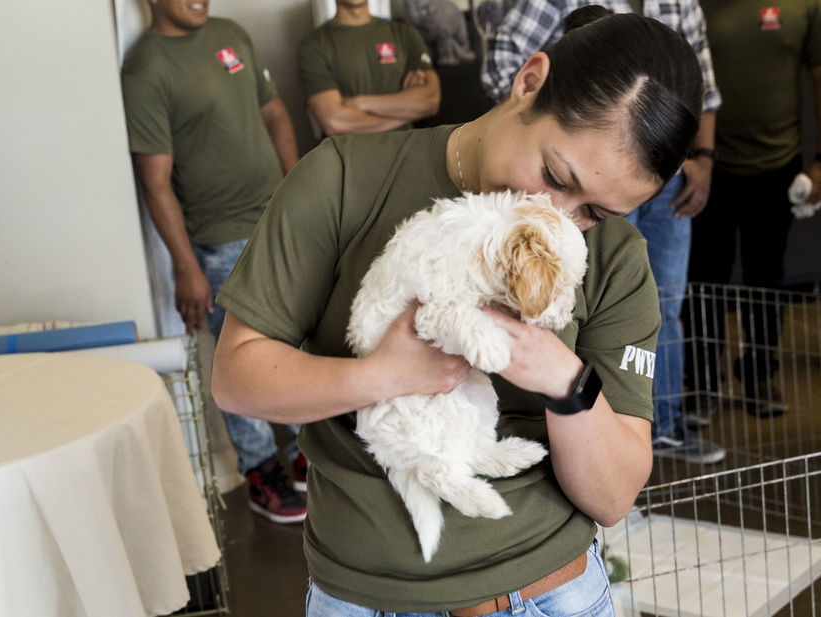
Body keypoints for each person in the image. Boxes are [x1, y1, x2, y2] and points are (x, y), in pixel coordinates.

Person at [212, 9, 703, 615]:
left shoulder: (616, 261)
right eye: (553, 176)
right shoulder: (344, 180)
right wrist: (382, 375)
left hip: (549, 593)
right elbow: (235, 377)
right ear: (529, 80)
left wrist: (563, 380)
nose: (555, 218)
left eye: (594, 213)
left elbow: (613, 496)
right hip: (366, 594)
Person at [483, 0, 725, 465]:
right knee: (583, 297)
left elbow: (705, 92)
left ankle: (662, 425)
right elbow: (503, 54)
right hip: (583, 154)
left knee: (664, 300)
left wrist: (698, 157)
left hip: (653, 178)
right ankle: (588, 431)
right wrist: (539, 113)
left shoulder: (680, 4)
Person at [120, 0, 308, 524]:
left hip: (276, 220)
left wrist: (300, 196)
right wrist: (186, 267)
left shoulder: (230, 33)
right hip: (218, 240)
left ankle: (301, 455)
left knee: (293, 343)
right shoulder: (146, 68)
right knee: (241, 361)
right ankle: (259, 472)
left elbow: (273, 113)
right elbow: (155, 182)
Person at [684, 0, 821, 421]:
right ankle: (702, 382)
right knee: (704, 277)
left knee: (767, 275)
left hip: (777, 165)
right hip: (706, 168)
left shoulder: (806, 4)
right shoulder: (690, 3)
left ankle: (760, 375)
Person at [297, 0, 441, 137]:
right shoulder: (313, 47)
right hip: (351, 159)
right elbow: (335, 122)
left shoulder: (405, 35)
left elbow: (431, 99)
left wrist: (360, 103)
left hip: (408, 153)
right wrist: (408, 113)